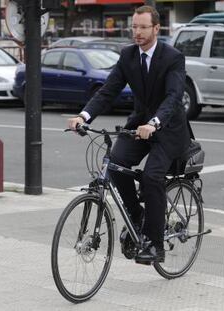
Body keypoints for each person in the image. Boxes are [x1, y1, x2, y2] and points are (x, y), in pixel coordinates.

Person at [68, 5, 190, 264]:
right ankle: (137, 216)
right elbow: (108, 91)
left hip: (168, 130)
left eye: (143, 27)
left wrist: (155, 123)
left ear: (157, 28)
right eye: (134, 27)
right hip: (139, 126)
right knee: (114, 164)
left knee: (151, 177)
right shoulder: (128, 56)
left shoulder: (173, 57)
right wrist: (84, 117)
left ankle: (156, 245)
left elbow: (173, 97)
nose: (137, 32)